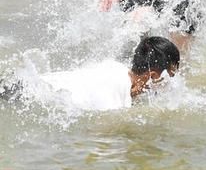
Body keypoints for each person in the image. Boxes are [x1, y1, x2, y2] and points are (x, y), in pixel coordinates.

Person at [1, 36, 180, 111]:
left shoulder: (116, 69)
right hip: (22, 95)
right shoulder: (113, 98)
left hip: (21, 84)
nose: (172, 82)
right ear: (153, 75)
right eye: (171, 75)